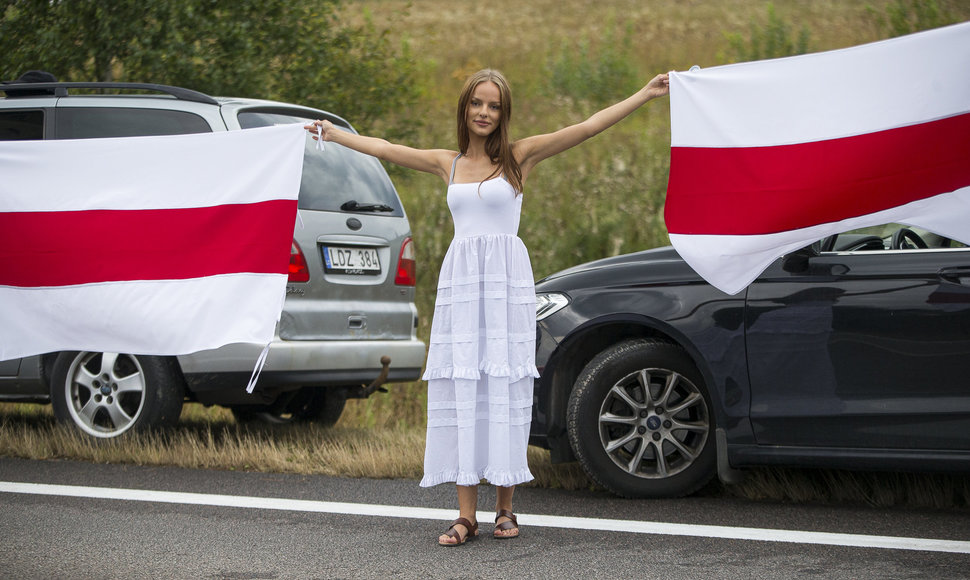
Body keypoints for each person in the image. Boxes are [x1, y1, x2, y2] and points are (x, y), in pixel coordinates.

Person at [306, 69, 669, 546]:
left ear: (503, 113)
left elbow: (587, 126)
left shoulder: (520, 157)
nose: (484, 112)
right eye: (477, 103)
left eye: (494, 106)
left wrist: (643, 94)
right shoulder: (448, 163)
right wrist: (333, 134)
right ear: (465, 108)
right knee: (464, 385)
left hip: (505, 285)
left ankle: (505, 509)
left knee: (503, 383)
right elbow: (387, 148)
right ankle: (464, 515)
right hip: (462, 286)